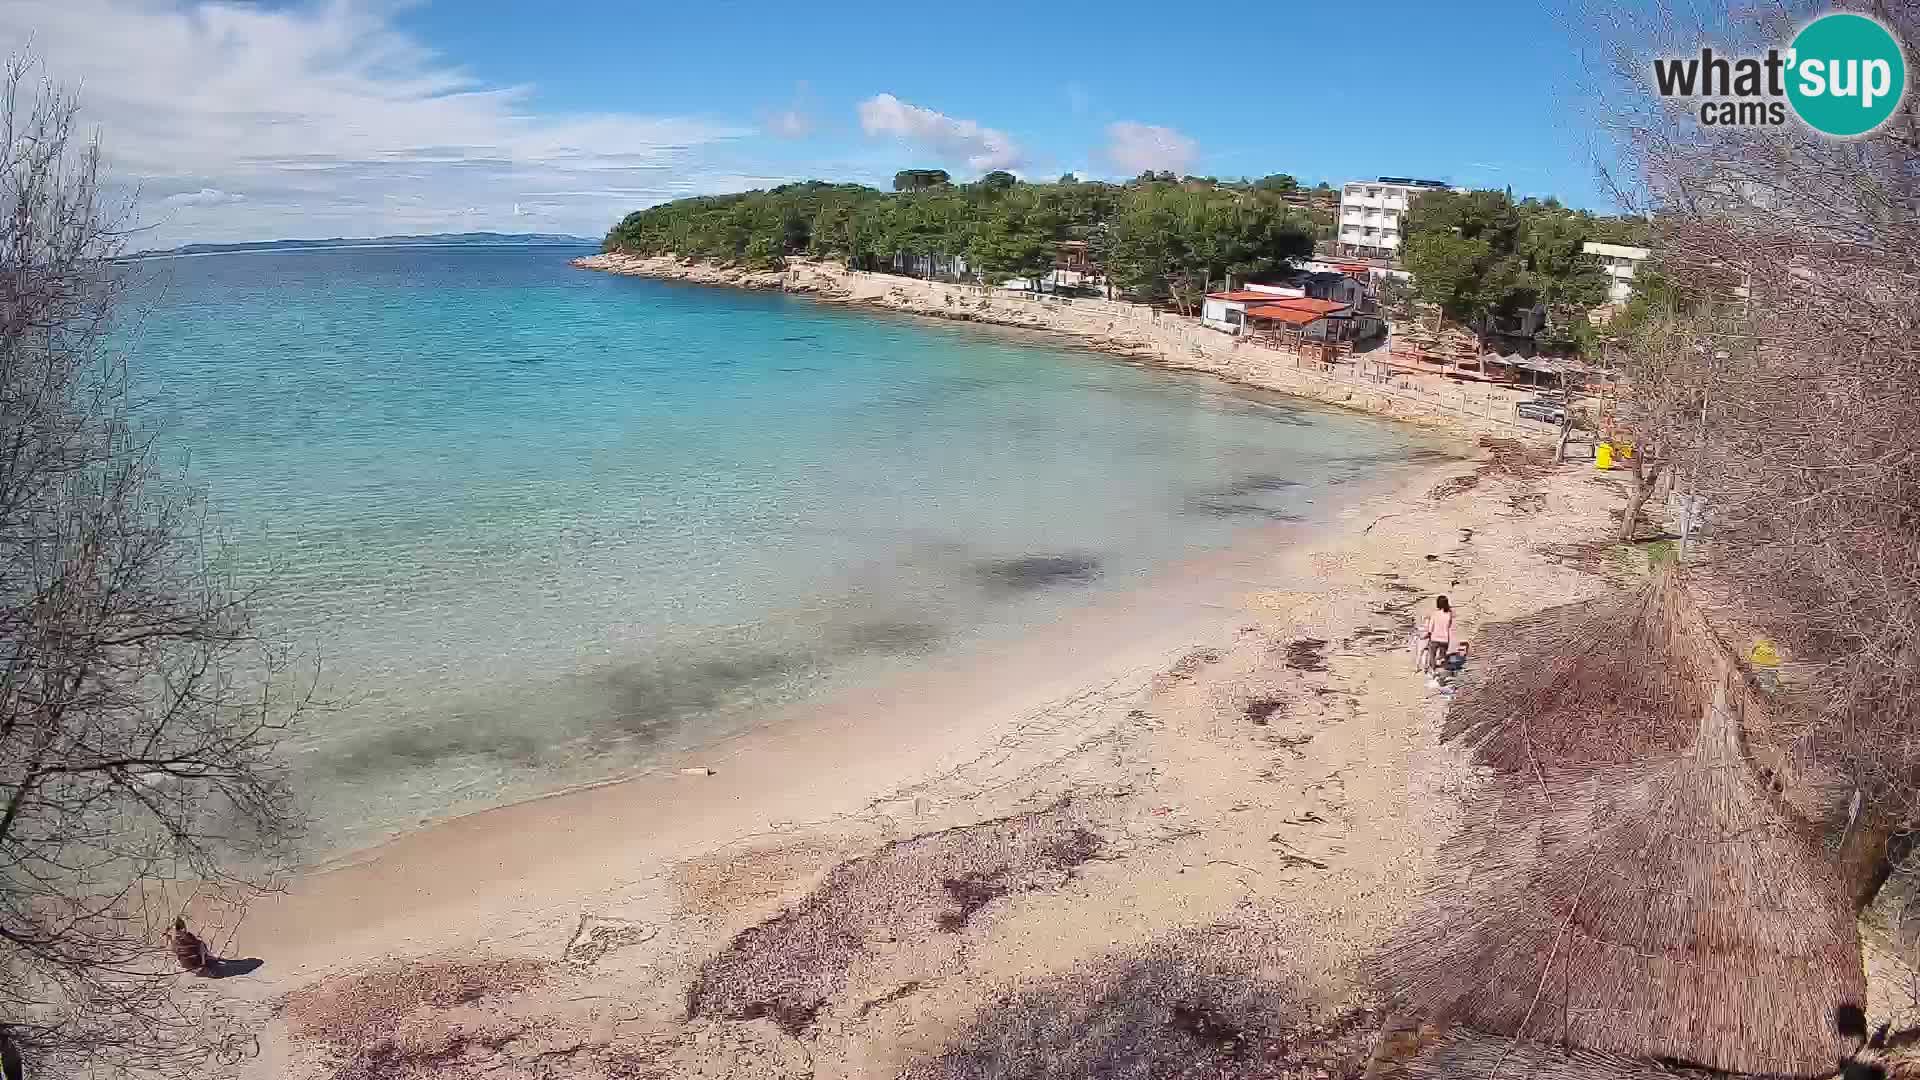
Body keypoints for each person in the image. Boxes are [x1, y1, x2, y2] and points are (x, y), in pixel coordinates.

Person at [1422, 596, 1455, 676]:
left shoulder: (1434, 614)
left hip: (1434, 638)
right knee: (1442, 655)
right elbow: (1449, 625)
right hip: (1445, 639)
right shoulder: (1449, 614)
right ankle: (1443, 669)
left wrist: (1427, 635)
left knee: (1432, 655)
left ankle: (1433, 670)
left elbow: (1430, 628)